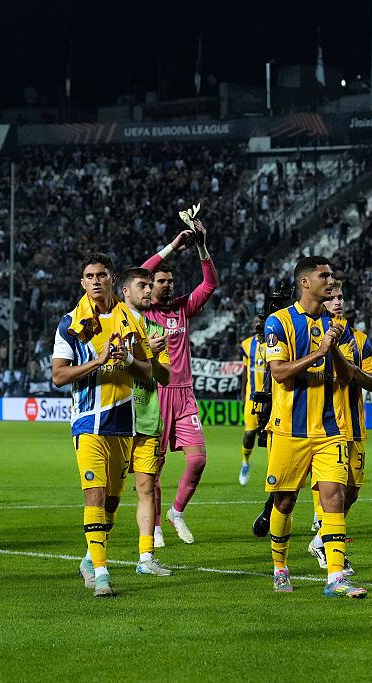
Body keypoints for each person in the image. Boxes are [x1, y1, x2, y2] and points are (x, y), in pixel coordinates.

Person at [262, 256, 367, 598]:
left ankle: (335, 577)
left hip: (329, 428)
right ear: (305, 282)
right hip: (288, 430)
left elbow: (348, 375)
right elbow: (279, 373)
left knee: (333, 499)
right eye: (324, 276)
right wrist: (320, 351)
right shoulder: (277, 322)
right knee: (285, 501)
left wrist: (333, 349)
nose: (330, 280)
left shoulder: (339, 326)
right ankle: (280, 567)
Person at [52, 253, 153, 597]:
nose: (96, 281)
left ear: (112, 279)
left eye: (101, 275)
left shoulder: (131, 319)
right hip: (88, 423)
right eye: (89, 276)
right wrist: (97, 361)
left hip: (123, 423)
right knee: (94, 495)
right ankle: (101, 572)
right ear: (82, 282)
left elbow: (148, 370)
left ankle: (88, 559)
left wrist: (127, 358)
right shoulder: (70, 323)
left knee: (111, 502)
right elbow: (59, 375)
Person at [139, 217, 219, 546]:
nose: (168, 285)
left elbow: (210, 284)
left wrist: (200, 245)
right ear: (148, 285)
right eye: (161, 281)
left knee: (198, 458)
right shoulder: (140, 313)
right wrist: (174, 245)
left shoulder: (181, 309)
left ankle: (176, 512)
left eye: (170, 281)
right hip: (154, 396)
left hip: (184, 394)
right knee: (152, 469)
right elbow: (141, 269)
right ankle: (155, 526)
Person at [307, 282, 372, 575]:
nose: (337, 301)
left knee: (351, 493)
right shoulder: (311, 338)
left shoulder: (360, 340)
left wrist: (351, 371)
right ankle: (330, 553)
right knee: (331, 493)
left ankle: (319, 540)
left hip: (356, 428)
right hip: (325, 428)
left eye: (340, 297)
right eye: (331, 297)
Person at [119, 267, 173, 577]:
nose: (149, 290)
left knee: (146, 489)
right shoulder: (113, 325)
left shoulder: (155, 329)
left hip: (148, 418)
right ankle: (93, 554)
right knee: (108, 492)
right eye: (143, 285)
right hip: (117, 419)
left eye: (150, 285)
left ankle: (146, 557)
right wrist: (142, 352)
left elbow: (165, 376)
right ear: (125, 291)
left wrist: (151, 357)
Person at [238, 316, 266, 486]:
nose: (256, 324)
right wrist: (242, 393)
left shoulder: (274, 342)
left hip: (272, 399)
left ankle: (275, 471)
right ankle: (245, 462)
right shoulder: (247, 344)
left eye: (259, 322)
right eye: (254, 322)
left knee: (272, 437)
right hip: (252, 397)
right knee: (250, 434)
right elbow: (244, 371)